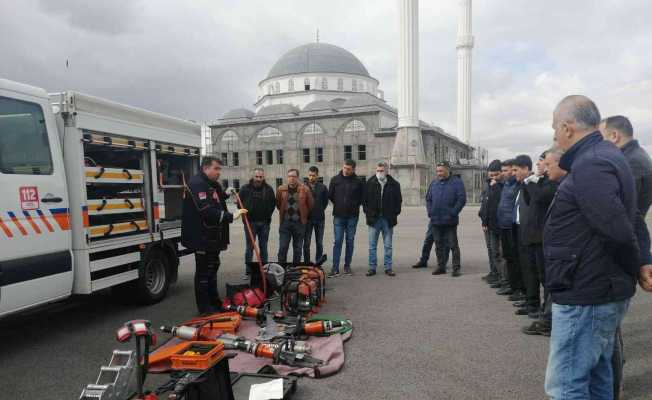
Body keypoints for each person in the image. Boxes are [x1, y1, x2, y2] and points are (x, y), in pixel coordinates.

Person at [543, 95, 643, 399]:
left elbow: (617, 229)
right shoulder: (605, 156)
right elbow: (632, 216)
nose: (554, 136)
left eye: (555, 129)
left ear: (568, 127)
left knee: (566, 384)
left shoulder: (592, 163)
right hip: (598, 286)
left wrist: (634, 266)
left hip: (587, 292)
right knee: (598, 373)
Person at [599, 115, 652, 398]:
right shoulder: (636, 158)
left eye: (601, 137)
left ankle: (612, 386)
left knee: (610, 333)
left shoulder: (629, 164)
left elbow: (628, 217)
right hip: (627, 246)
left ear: (615, 136)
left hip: (619, 253)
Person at [181, 156, 247, 314]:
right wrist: (232, 216)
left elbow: (214, 198)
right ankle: (205, 309)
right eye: (216, 168)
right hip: (202, 237)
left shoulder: (210, 183)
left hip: (212, 237)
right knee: (204, 273)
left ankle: (215, 303)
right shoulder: (197, 184)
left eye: (220, 169)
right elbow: (207, 211)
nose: (219, 172)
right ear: (205, 168)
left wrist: (225, 194)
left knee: (213, 269)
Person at [521, 148, 564, 337]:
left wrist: (533, 181)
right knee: (540, 275)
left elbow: (539, 197)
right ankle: (545, 315)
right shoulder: (545, 181)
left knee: (547, 279)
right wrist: (530, 183)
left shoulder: (553, 183)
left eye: (545, 163)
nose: (541, 166)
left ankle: (548, 319)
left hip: (544, 236)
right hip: (537, 234)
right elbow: (531, 200)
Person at [412, 161, 466, 277]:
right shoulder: (434, 183)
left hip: (450, 221)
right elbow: (428, 199)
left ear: (448, 170)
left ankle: (456, 268)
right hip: (436, 220)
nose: (439, 173)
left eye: (441, 171)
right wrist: (430, 212)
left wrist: (453, 212)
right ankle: (441, 267)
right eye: (437, 171)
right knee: (438, 245)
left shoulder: (457, 182)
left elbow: (461, 199)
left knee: (452, 245)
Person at [363, 162, 402, 277]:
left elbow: (398, 201)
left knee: (388, 245)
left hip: (387, 219)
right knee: (372, 245)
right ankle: (372, 268)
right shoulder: (369, 183)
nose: (380, 173)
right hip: (374, 219)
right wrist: (369, 214)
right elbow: (364, 201)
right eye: (378, 170)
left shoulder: (394, 184)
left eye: (382, 171)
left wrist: (394, 213)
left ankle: (388, 268)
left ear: (387, 171)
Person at [512, 154, 540, 315]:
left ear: (525, 169)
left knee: (533, 270)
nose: (514, 173)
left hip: (532, 233)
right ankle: (530, 300)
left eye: (516, 170)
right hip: (522, 230)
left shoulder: (532, 184)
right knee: (526, 269)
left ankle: (534, 304)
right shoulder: (523, 184)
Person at [237, 168, 275, 280]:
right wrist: (246, 215)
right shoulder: (245, 189)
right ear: (253, 176)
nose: (258, 179)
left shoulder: (268, 189)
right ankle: (248, 271)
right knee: (250, 247)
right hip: (250, 224)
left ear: (263, 177)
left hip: (264, 224)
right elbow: (239, 204)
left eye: (260, 177)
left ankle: (264, 269)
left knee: (263, 247)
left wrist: (267, 215)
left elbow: (273, 204)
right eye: (256, 176)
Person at [328, 159, 364, 277]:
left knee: (350, 241)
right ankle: (335, 268)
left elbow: (361, 198)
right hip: (338, 216)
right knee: (338, 241)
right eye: (344, 168)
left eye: (348, 169)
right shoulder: (335, 180)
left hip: (352, 217)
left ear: (353, 169)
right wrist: (339, 205)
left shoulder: (358, 182)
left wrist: (353, 205)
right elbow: (331, 196)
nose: (345, 170)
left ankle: (347, 266)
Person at [495, 159, 522, 296]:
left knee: (515, 258)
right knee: (508, 257)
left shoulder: (518, 185)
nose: (504, 173)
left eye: (506, 170)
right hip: (503, 226)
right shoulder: (506, 184)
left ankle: (518, 288)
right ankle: (512, 285)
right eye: (503, 171)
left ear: (513, 170)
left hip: (512, 227)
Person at [276, 169, 313, 264]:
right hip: (285, 223)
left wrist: (303, 215)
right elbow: (278, 204)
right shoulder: (281, 189)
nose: (291, 178)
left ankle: (295, 269)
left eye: (294, 176)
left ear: (297, 178)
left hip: (299, 224)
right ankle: (281, 269)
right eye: (289, 176)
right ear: (287, 178)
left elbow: (310, 205)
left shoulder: (305, 189)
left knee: (297, 249)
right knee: (283, 247)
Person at [478, 160, 503, 284]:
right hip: (487, 223)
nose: (493, 177)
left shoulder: (501, 186)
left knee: (497, 251)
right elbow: (485, 204)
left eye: (496, 175)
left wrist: (496, 187)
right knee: (490, 249)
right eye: (491, 175)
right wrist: (483, 220)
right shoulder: (487, 185)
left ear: (501, 173)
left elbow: (498, 204)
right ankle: (493, 272)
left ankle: (501, 276)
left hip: (497, 224)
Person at [303, 166, 329, 264]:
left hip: (320, 219)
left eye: (313, 175)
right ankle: (307, 263)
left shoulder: (323, 187)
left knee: (319, 243)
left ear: (317, 176)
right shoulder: (303, 187)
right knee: (306, 243)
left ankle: (318, 262)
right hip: (307, 220)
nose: (311, 177)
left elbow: (325, 202)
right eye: (310, 175)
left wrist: (319, 209)